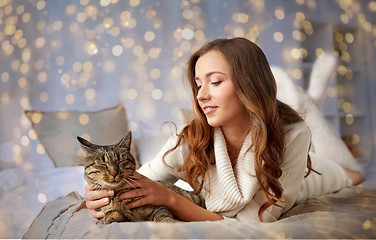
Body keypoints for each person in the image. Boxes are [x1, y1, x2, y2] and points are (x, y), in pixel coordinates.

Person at [84, 37, 364, 222]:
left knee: (352, 173)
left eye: (215, 82)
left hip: (312, 175)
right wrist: (95, 195)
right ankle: (305, 95)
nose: (201, 95)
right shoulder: (191, 136)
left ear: (248, 85)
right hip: (288, 150)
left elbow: (256, 221)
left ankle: (305, 97)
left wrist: (170, 197)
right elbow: (140, 179)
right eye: (198, 84)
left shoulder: (294, 135)